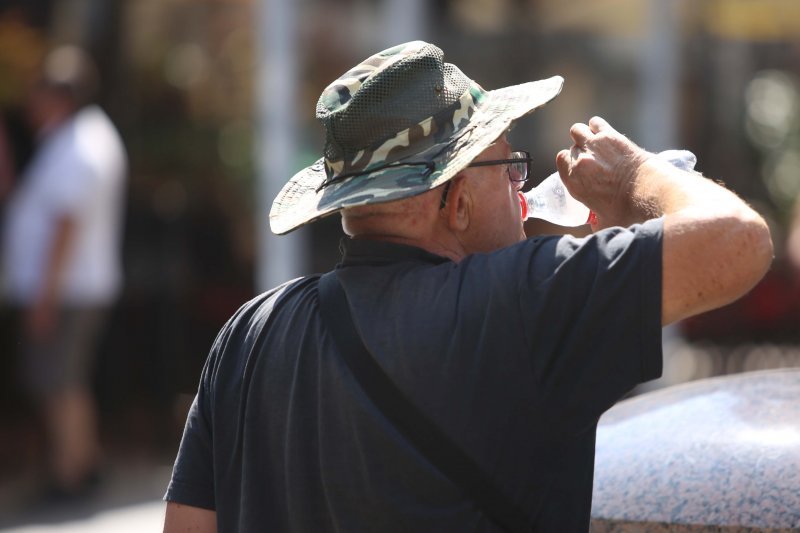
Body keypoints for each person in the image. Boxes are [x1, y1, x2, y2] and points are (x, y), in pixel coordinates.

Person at [163, 41, 772, 532]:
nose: (521, 184)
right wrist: (635, 173)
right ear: (454, 203)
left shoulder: (247, 335)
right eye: (509, 166)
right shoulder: (520, 302)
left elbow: (187, 524)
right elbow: (739, 241)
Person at [1, 45, 128, 498]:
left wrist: (44, 296)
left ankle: (69, 472)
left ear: (58, 95)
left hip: (67, 289)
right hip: (71, 287)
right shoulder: (77, 138)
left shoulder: (80, 143)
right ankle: (81, 463)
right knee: (65, 381)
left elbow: (65, 224)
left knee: (59, 383)